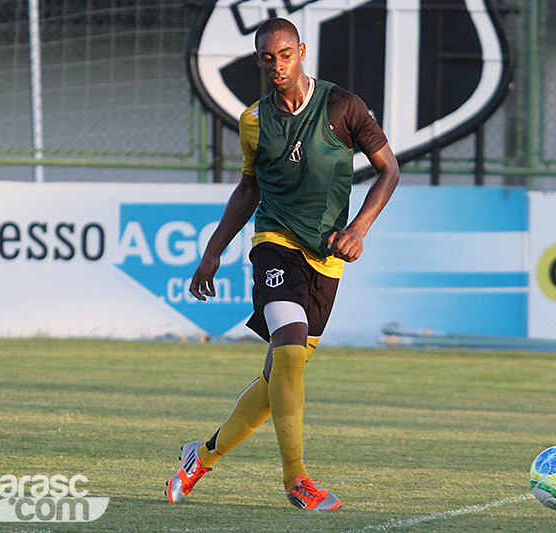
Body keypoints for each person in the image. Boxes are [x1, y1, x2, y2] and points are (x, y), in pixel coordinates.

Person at [166, 17, 399, 511]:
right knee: (289, 352)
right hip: (274, 241)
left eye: (285, 55)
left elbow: (388, 169)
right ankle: (297, 480)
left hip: (328, 256)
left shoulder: (342, 106)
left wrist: (358, 230)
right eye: (267, 58)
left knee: (280, 378)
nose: (277, 65)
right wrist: (213, 249)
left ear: (302, 52)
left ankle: (200, 457)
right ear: (258, 60)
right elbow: (250, 186)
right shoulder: (253, 121)